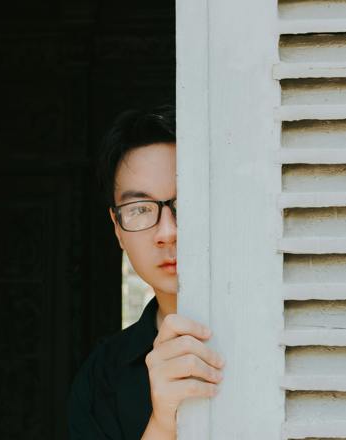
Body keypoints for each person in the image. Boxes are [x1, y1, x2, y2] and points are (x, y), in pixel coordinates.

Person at [67, 105, 225, 439]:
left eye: (185, 204)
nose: (168, 232)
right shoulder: (101, 378)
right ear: (117, 228)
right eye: (139, 209)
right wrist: (163, 423)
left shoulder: (285, 335)